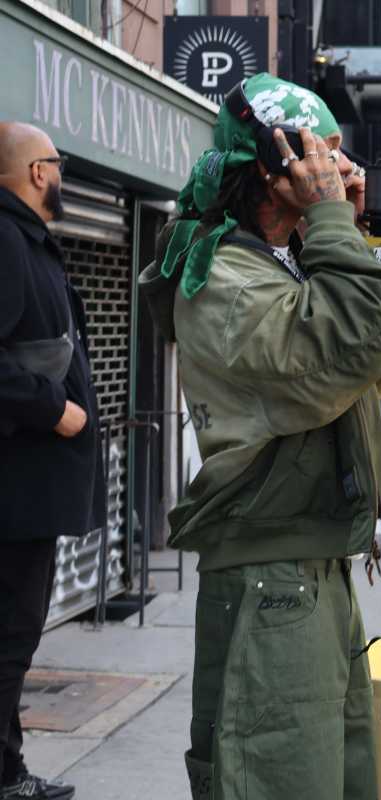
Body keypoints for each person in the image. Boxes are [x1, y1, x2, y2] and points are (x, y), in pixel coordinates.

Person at [139, 74, 381, 799]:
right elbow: (342, 349)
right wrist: (334, 224)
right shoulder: (222, 274)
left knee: (341, 779)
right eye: (322, 151)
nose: (339, 168)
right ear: (271, 166)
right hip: (269, 579)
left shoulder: (304, 258)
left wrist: (370, 230)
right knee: (280, 780)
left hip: (318, 571)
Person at [0, 122, 102, 800]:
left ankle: (8, 771)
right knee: (11, 637)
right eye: (58, 164)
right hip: (17, 489)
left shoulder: (24, 238)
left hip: (27, 489)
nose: (62, 176)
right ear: (39, 172)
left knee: (11, 638)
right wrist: (52, 408)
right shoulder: (7, 241)